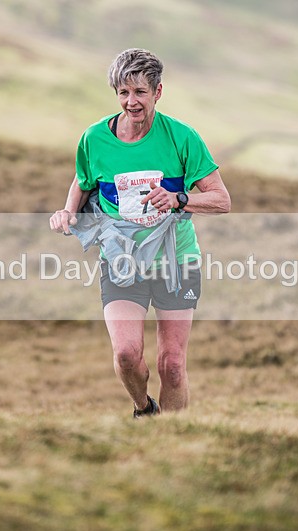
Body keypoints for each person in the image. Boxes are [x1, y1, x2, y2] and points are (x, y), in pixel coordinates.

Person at [49, 48, 230, 418]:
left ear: (158, 92)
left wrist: (179, 198)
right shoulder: (94, 138)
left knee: (172, 364)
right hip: (122, 261)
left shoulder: (182, 137)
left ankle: (172, 441)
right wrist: (68, 211)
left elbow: (221, 200)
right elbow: (83, 182)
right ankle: (144, 409)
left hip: (176, 261)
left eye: (140, 93)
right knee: (126, 354)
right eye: (123, 93)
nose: (131, 102)